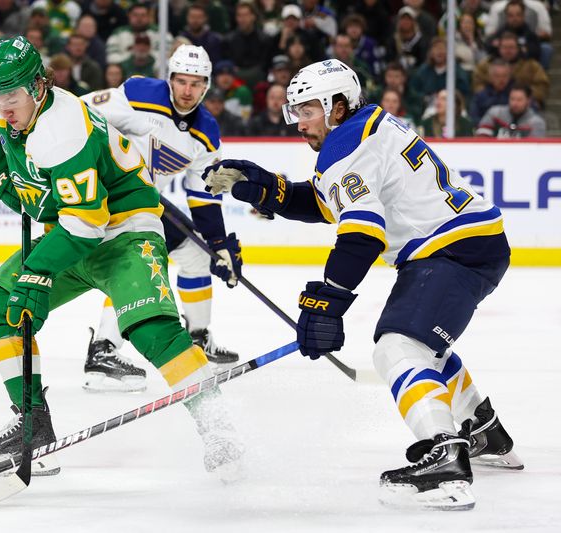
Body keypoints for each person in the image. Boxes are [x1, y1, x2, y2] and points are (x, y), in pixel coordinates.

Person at [202, 59, 522, 510]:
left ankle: (444, 456)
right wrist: (266, 188)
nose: (299, 122)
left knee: (398, 348)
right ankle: (482, 429)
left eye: (308, 110)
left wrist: (329, 300)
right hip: (471, 241)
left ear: (336, 106)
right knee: (426, 344)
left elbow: (362, 231)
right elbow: (327, 200)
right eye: (294, 111)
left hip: (452, 249)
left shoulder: (345, 146)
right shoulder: (364, 128)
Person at [0, 36, 244, 481]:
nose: (1, 109)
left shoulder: (63, 129)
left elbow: (87, 224)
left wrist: (37, 274)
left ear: (39, 87)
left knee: (152, 330)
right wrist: (2, 174)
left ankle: (219, 431)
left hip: (123, 231)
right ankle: (33, 424)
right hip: (71, 227)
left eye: (11, 98)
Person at [80, 44, 243, 392]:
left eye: (196, 83)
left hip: (144, 201)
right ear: (169, 78)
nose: (187, 91)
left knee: (197, 256)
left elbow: (203, 193)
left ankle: (198, 339)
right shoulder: (139, 94)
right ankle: (103, 350)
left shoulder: (206, 133)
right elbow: (78, 113)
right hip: (103, 195)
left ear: (207, 85)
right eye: (181, 81)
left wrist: (219, 245)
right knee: (133, 261)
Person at [475, 83, 545, 137]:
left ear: (528, 101)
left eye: (519, 100)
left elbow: (534, 149)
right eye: (512, 99)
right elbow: (481, 138)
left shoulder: (536, 123)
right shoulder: (495, 113)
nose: (515, 103)